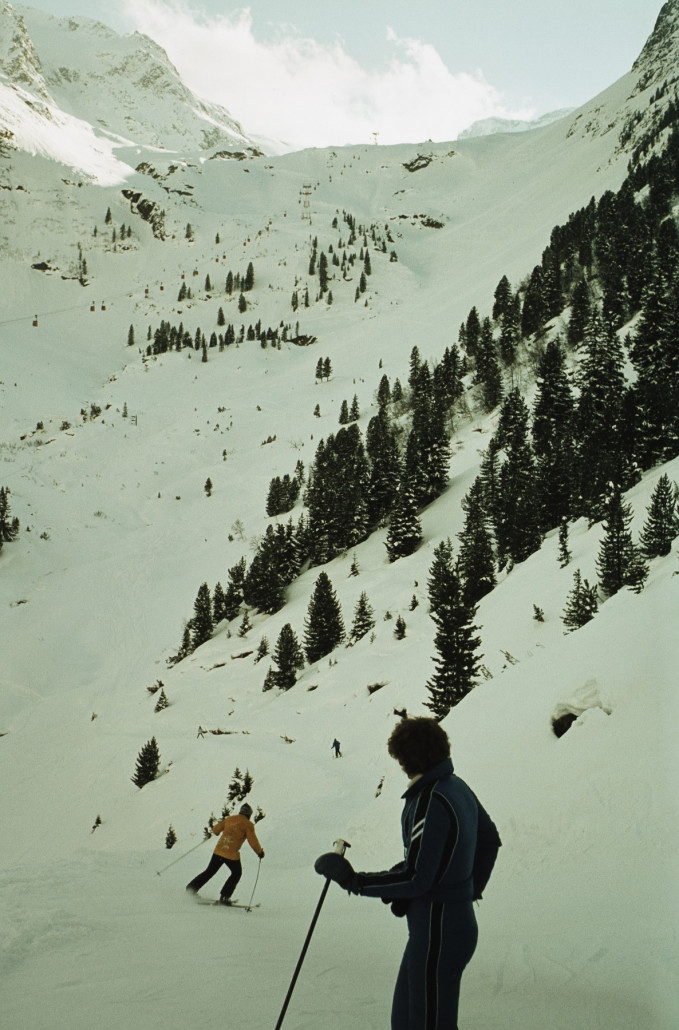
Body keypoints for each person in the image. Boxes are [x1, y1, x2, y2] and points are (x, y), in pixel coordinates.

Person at [315, 717, 501, 1030]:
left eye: (400, 757)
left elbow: (417, 878)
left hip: (437, 933)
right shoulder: (455, 786)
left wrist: (355, 881)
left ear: (408, 759)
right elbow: (488, 841)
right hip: (444, 927)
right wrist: (462, 891)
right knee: (405, 1020)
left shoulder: (430, 799)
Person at [186, 802, 264, 904]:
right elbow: (252, 840)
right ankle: (225, 896)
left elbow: (215, 830)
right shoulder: (248, 825)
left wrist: (217, 831)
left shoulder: (230, 819)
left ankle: (191, 889)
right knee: (236, 873)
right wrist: (259, 852)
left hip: (218, 851)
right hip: (231, 855)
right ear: (249, 814)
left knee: (209, 871)